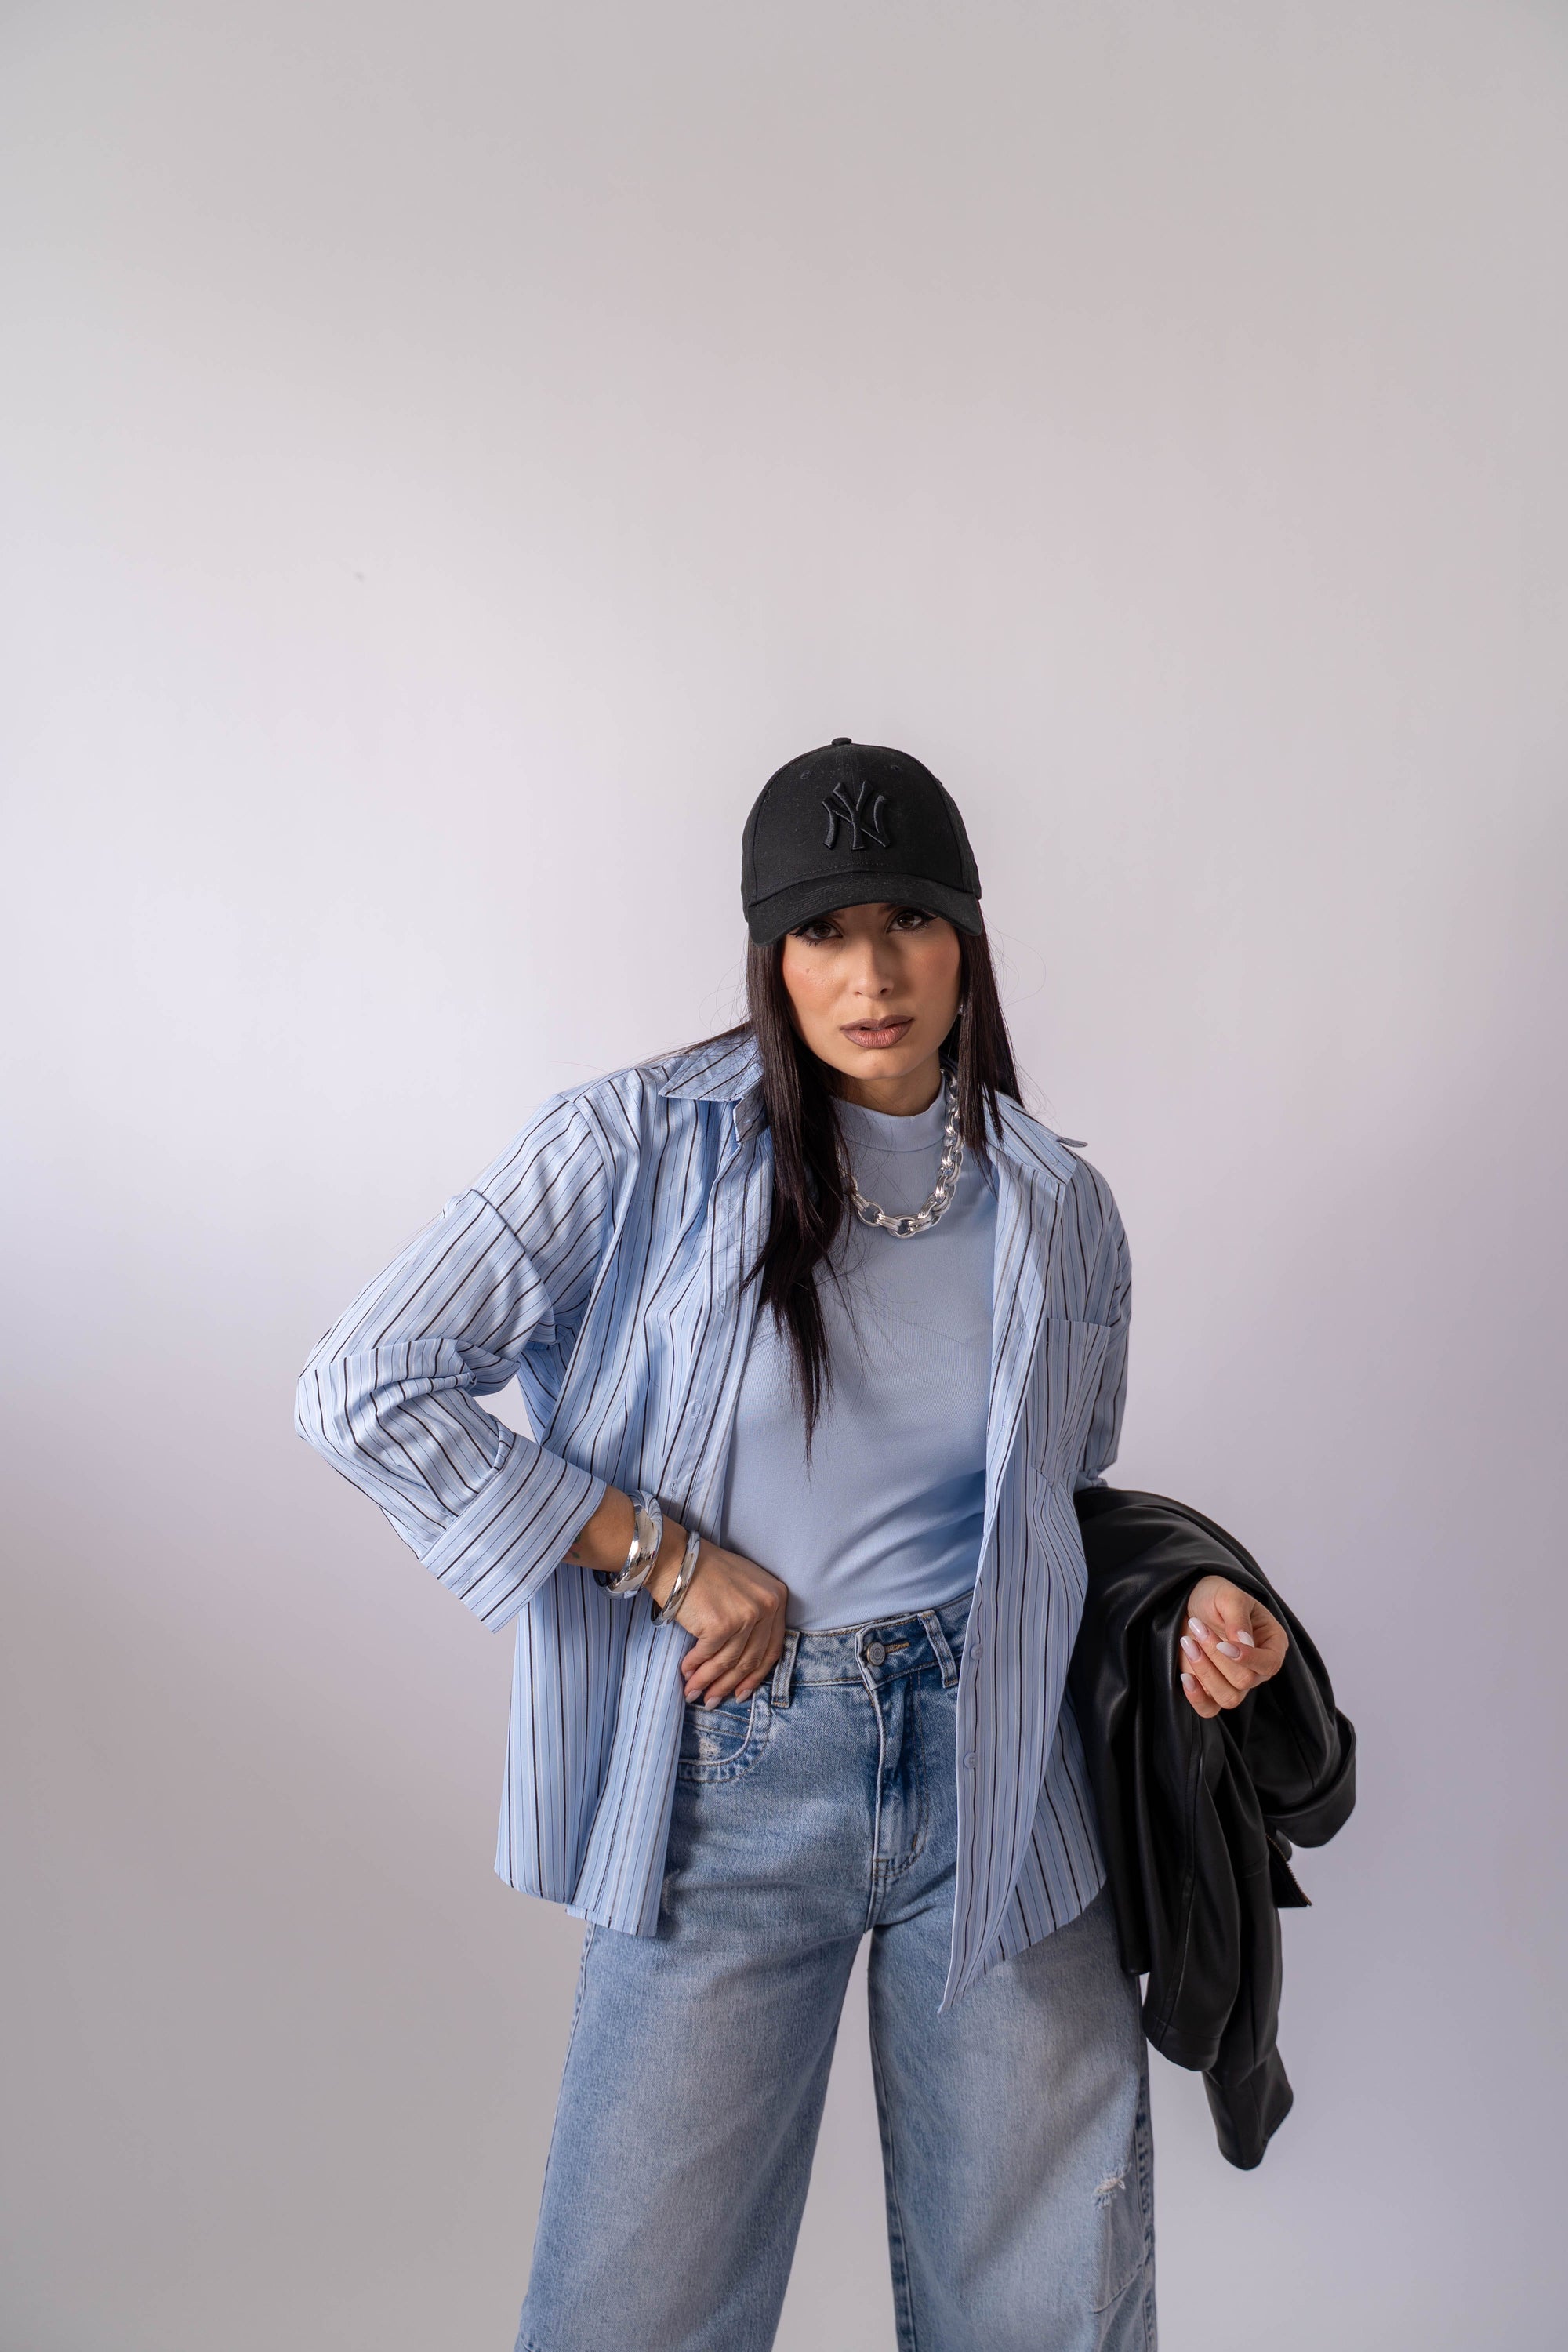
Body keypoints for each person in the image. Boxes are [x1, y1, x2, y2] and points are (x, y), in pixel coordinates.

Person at [295, 738, 1287, 2352]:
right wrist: (662, 1557)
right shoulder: (630, 1148)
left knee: (1048, 2305)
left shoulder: (1060, 1205)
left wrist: (1185, 1609)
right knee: (639, 2308)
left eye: (909, 921)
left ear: (968, 937)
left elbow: (1057, 1505)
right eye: (824, 930)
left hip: (1002, 1771)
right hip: (732, 1774)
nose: (871, 974)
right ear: (770, 953)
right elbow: (364, 1385)